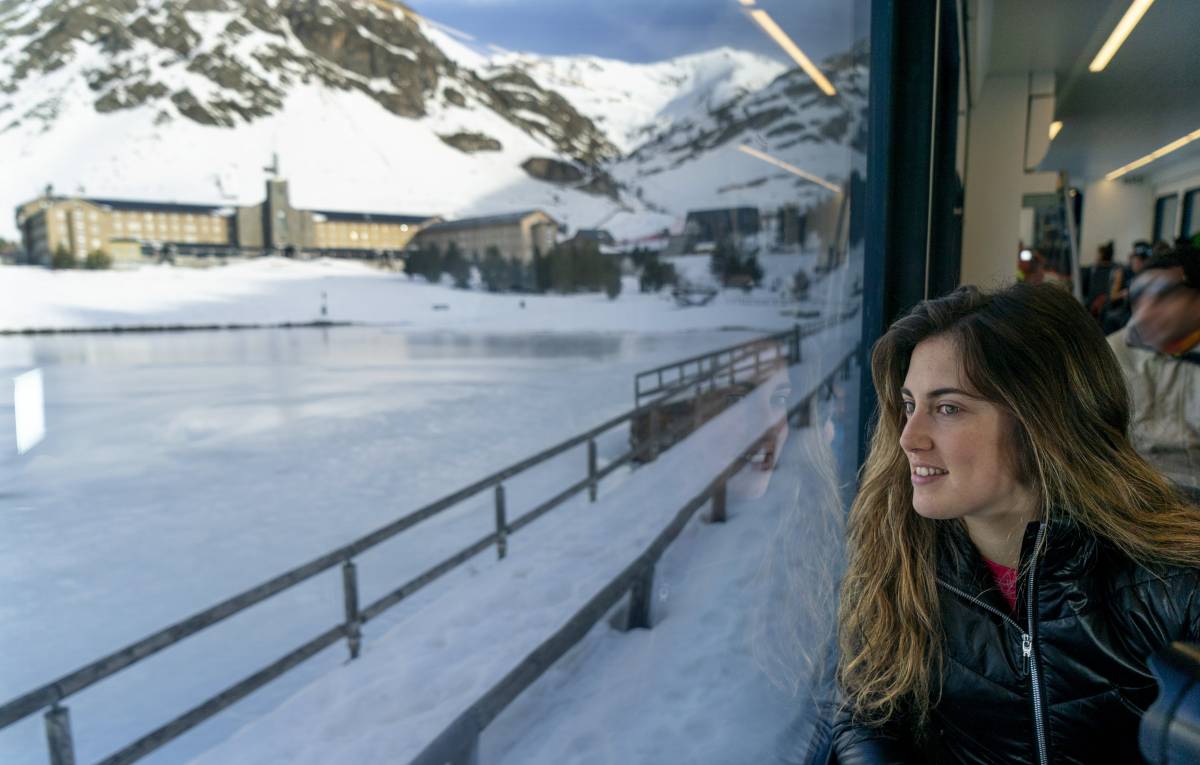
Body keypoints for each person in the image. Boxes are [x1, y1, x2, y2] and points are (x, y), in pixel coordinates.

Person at [804, 282, 1200, 764]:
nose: (909, 437)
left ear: (1043, 422)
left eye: (947, 408)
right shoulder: (900, 557)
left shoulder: (1173, 578)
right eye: (910, 406)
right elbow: (866, 707)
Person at [1106, 244, 1200, 469]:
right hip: (1135, 489)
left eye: (1164, 294)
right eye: (1139, 296)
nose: (1145, 312)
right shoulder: (1113, 353)